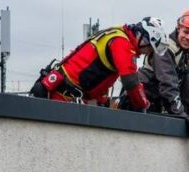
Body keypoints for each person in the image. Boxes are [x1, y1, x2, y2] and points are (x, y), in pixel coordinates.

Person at [29, 17, 169, 110]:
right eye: (149, 47)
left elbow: (98, 73)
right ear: (143, 38)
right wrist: (144, 105)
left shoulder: (118, 34)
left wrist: (103, 101)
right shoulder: (122, 44)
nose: (147, 52)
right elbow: (130, 82)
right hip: (62, 97)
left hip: (73, 96)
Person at [120, 10, 189, 116]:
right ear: (178, 28)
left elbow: (187, 86)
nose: (188, 37)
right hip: (137, 99)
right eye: (186, 32)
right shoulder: (166, 47)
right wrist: (180, 113)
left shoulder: (186, 54)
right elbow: (167, 82)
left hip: (153, 103)